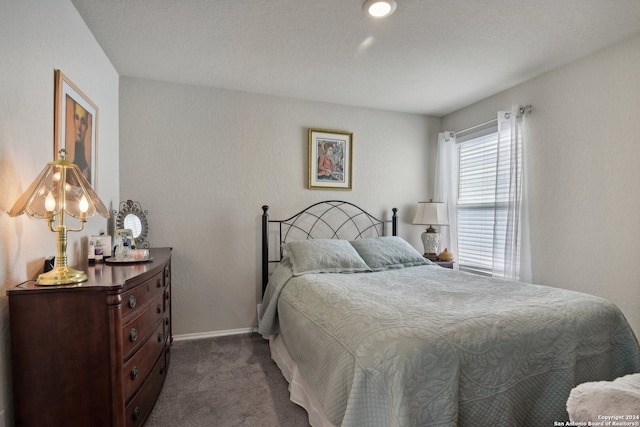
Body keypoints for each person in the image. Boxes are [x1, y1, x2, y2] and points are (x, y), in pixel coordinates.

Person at [71, 100, 91, 182]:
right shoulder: (71, 170)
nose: (79, 127)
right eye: (76, 118)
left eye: (82, 122)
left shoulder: (87, 172)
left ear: (86, 127)